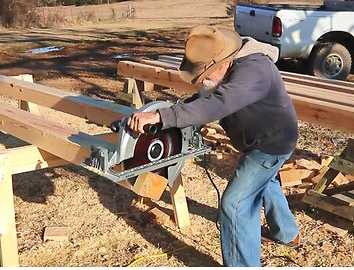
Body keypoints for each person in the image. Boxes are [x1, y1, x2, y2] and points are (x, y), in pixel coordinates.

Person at [127, 25, 300, 267]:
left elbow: (218, 103)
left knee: (235, 204)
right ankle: (287, 233)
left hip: (271, 143)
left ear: (223, 62)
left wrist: (162, 117)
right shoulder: (230, 67)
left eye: (204, 75)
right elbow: (204, 97)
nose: (202, 81)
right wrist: (169, 116)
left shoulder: (254, 70)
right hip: (259, 139)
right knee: (266, 182)